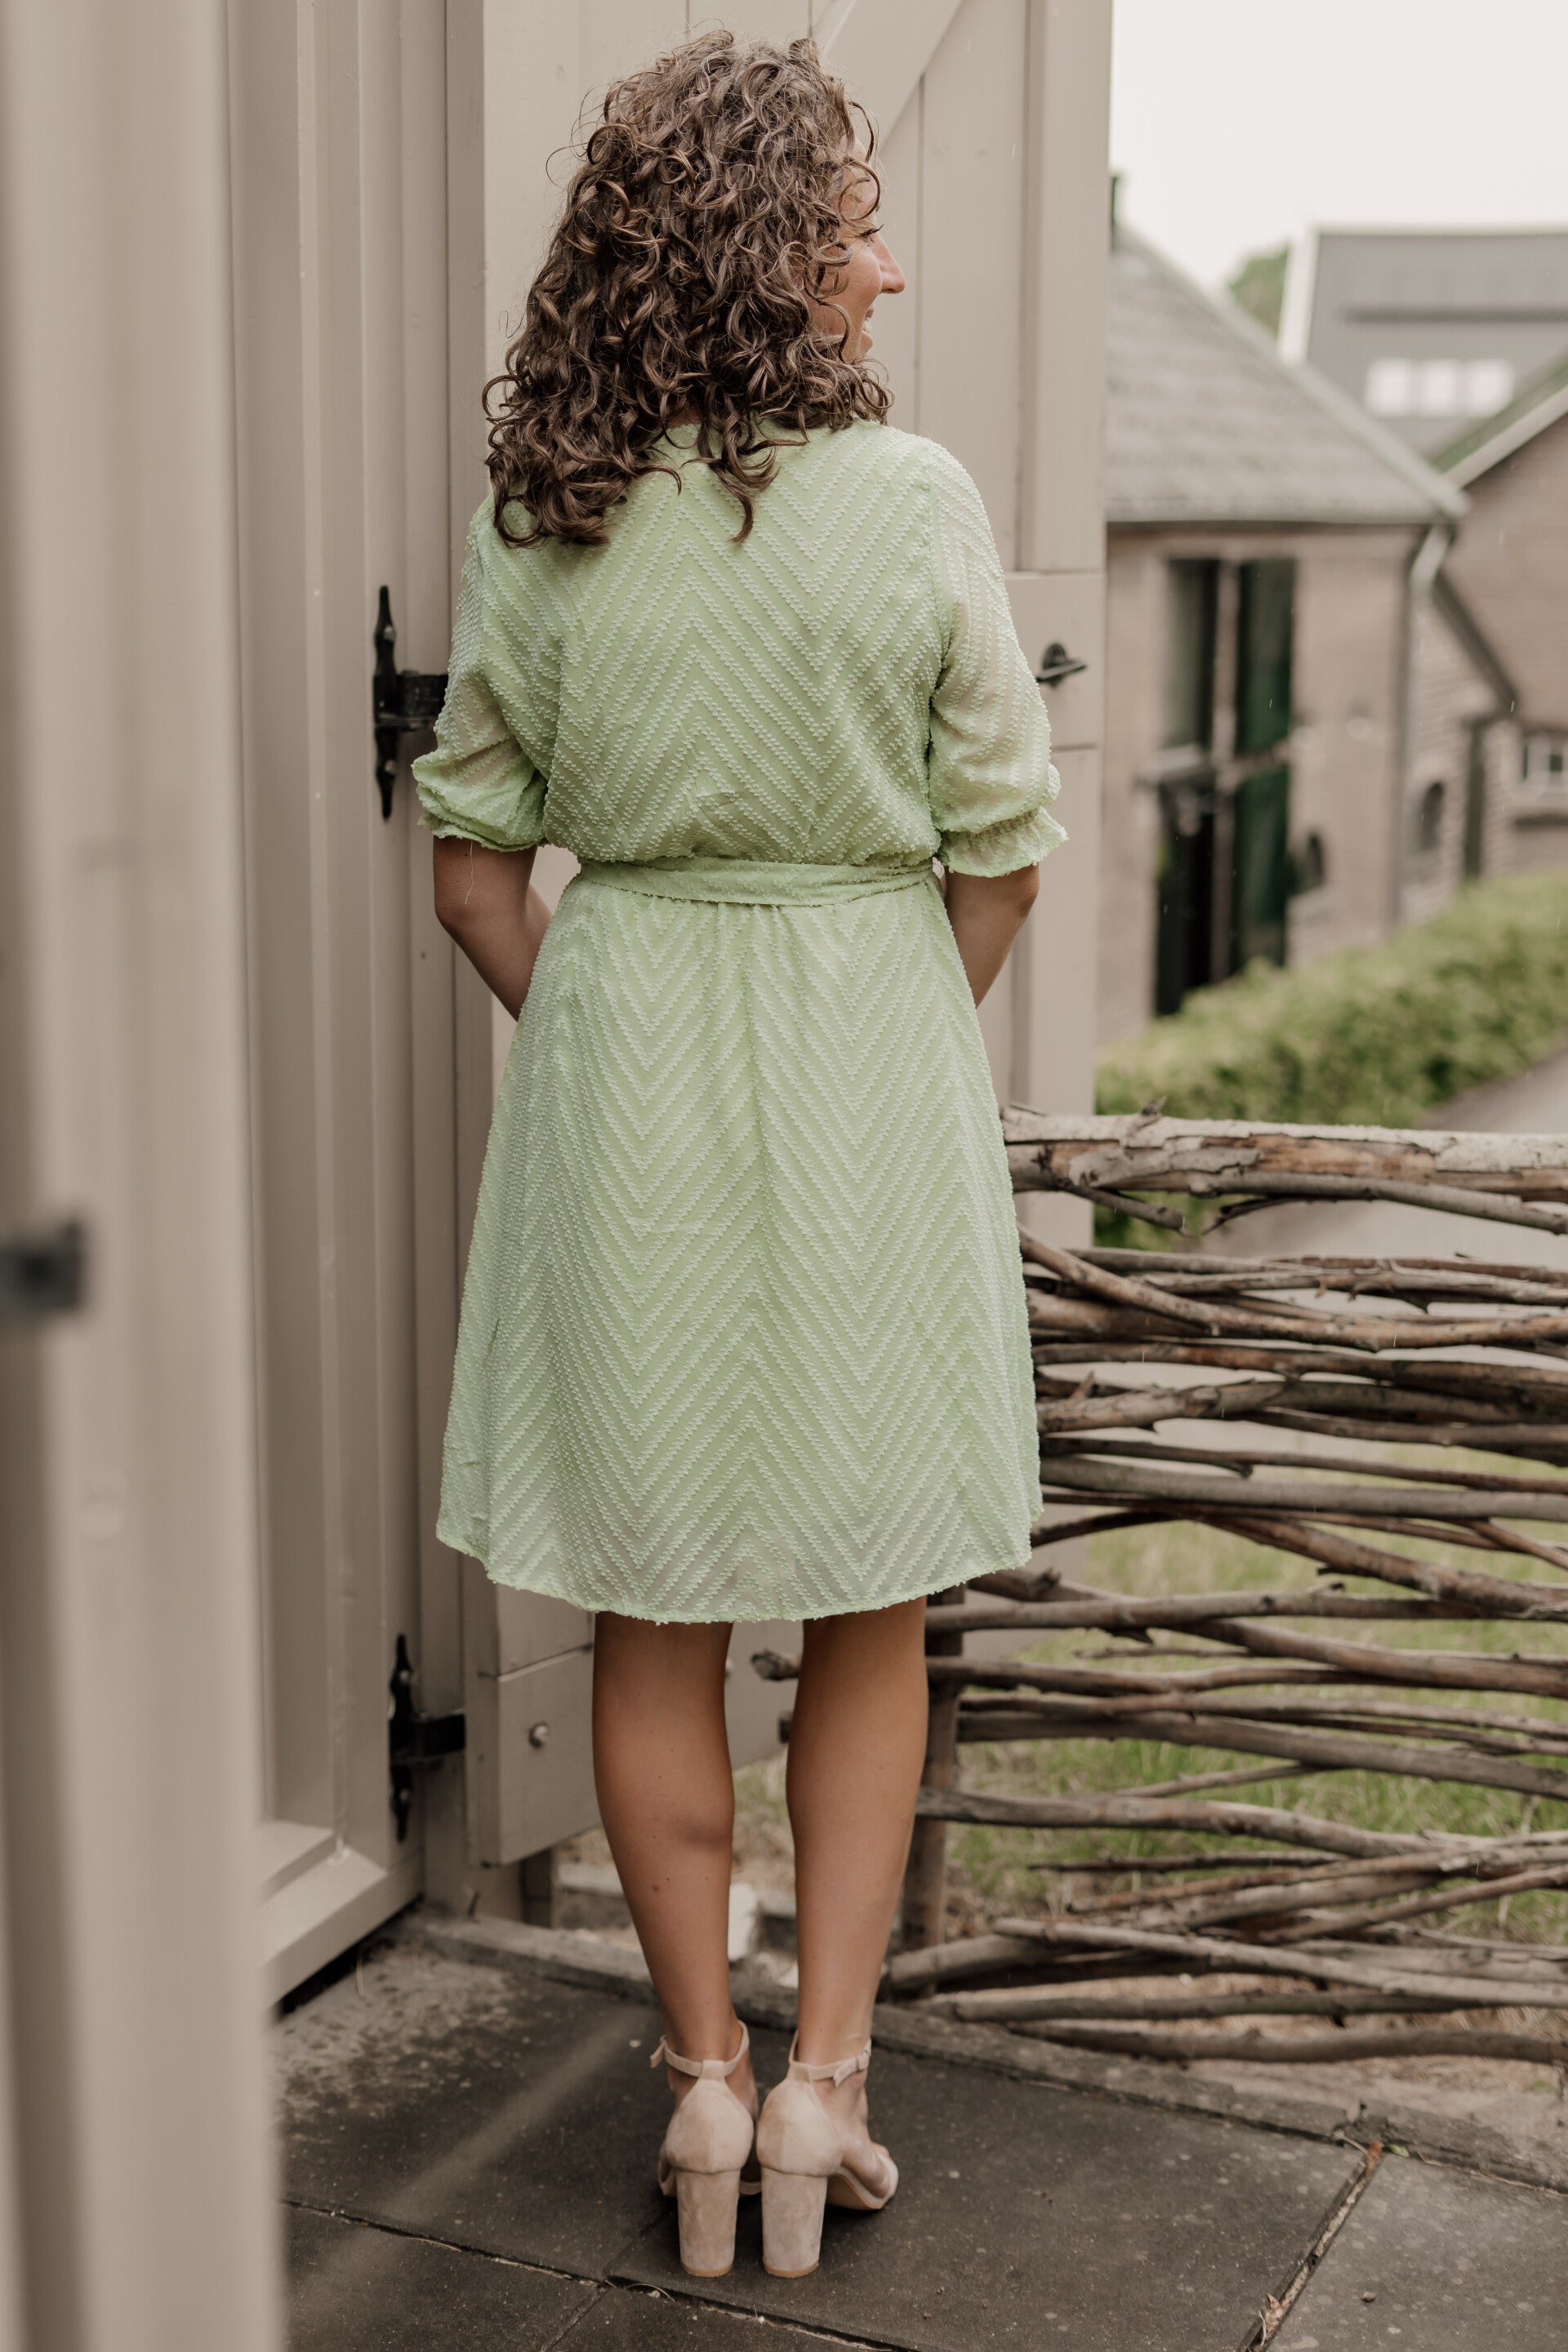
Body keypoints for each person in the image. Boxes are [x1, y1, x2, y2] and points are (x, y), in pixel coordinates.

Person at [415, 30, 1062, 2286]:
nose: (887, 272)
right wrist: (890, 1033)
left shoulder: (551, 517)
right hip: (869, 1056)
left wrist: (605, 1046)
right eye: (858, 228)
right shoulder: (917, 501)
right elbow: (1005, 844)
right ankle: (825, 2090)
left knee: (651, 1599)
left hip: (629, 1073)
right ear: (771, 248)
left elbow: (472, 870)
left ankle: (699, 2082)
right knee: (871, 1597)